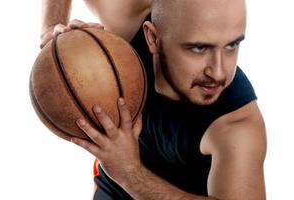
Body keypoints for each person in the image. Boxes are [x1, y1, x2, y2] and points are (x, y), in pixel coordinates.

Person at [40, 0, 267, 199]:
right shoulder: (127, 22)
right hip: (113, 188)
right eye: (198, 48)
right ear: (152, 38)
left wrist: (129, 172)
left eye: (232, 45)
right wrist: (51, 29)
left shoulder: (236, 125)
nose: (218, 73)